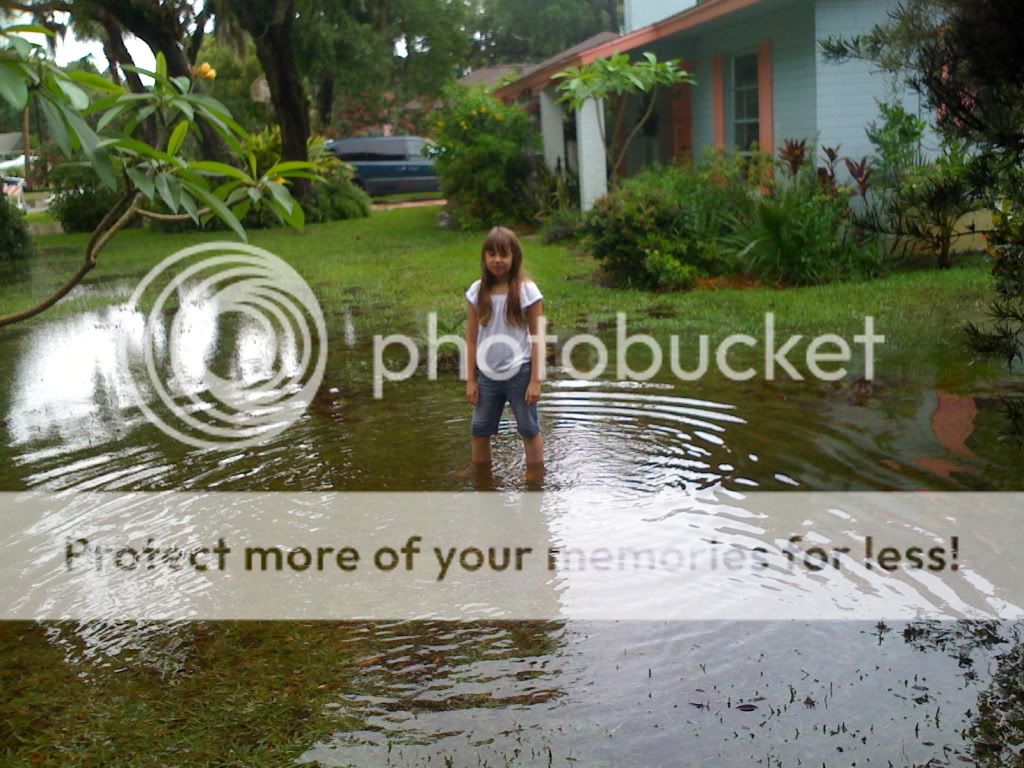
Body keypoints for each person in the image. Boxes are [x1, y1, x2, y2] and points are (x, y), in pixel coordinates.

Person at [465, 226, 545, 468]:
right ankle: (482, 479)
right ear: (484, 258)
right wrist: (470, 379)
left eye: (504, 254)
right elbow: (471, 338)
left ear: (514, 257)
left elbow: (537, 337)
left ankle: (535, 478)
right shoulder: (477, 291)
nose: (497, 260)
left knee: (528, 430)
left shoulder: (526, 291)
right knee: (479, 431)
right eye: (491, 254)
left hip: (519, 373)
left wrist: (535, 381)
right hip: (488, 376)